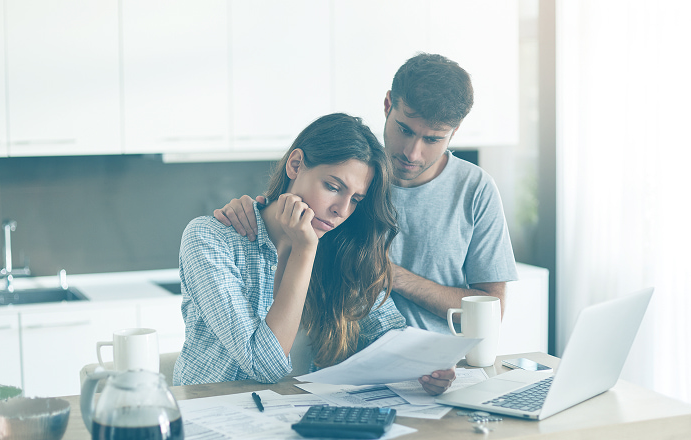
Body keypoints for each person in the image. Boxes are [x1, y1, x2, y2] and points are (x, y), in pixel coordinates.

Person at [214, 53, 518, 335]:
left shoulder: (476, 189)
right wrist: (249, 211)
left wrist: (388, 275)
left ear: (456, 129)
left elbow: (492, 310)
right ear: (388, 105)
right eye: (405, 130)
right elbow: (287, 218)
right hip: (344, 367)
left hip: (437, 367)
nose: (412, 152)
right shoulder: (356, 177)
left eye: (432, 139)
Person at [175, 113, 455, 394]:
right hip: (214, 416)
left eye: (356, 200)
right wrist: (305, 250)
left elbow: (389, 332)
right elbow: (263, 365)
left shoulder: (342, 249)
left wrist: (428, 363)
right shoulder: (210, 239)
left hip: (296, 417)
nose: (342, 210)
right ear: (295, 165)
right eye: (333, 187)